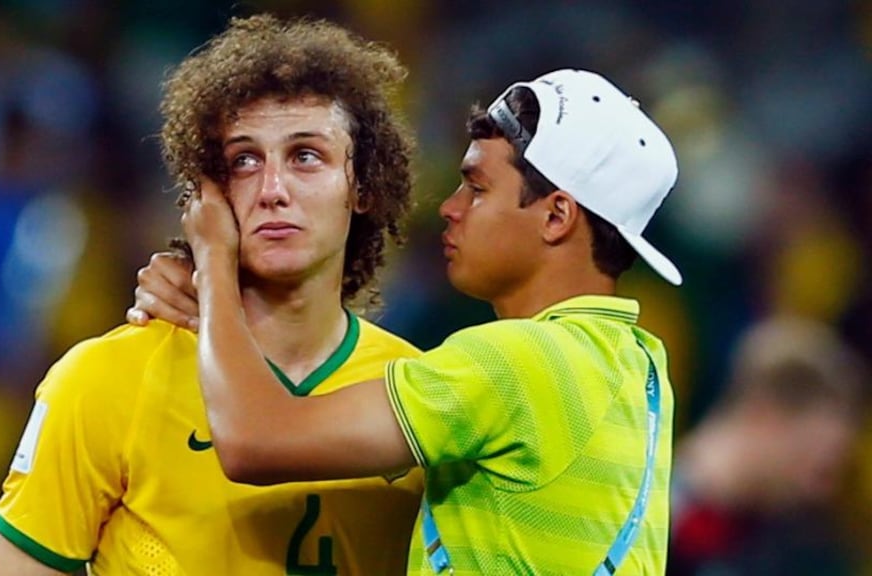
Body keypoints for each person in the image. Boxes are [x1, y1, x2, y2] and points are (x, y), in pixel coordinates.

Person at [136, 68, 681, 573]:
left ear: (557, 216)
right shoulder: (641, 365)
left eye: (477, 187)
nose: (449, 206)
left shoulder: (516, 362)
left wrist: (213, 264)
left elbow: (254, 439)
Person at [0, 14, 425, 575]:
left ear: (361, 188)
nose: (273, 190)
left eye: (305, 155)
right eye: (244, 161)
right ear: (203, 197)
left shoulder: (417, 390)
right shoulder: (103, 380)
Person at [668, 316, 866, 575]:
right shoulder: (650, 518)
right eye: (815, 466)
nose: (819, 491)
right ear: (765, 415)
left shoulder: (771, 540)